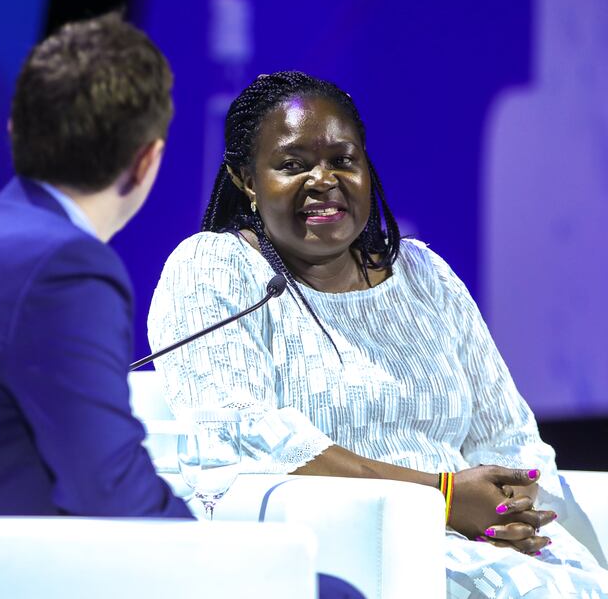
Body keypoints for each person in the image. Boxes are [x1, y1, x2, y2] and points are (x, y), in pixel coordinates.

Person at [0, 18, 362, 599]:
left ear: (17, 130)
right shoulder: (62, 264)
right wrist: (225, 559)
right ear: (147, 162)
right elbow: (108, 490)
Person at [148, 71, 608, 597]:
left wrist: (512, 513)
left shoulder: (423, 273)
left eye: (343, 160)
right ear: (247, 180)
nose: (324, 179)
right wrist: (440, 496)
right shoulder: (214, 269)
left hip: (485, 538)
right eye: (293, 165)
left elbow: (507, 433)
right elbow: (245, 438)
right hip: (355, 554)